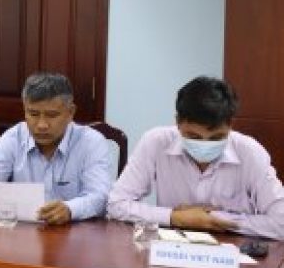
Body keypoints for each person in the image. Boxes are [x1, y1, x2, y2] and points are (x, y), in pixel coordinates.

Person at [107, 77, 284, 240]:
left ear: (230, 124)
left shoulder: (249, 152)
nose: (204, 145)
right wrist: (175, 217)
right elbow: (116, 204)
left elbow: (281, 222)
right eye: (194, 137)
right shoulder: (156, 142)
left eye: (216, 138)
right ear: (178, 122)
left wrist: (213, 218)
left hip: (234, 247)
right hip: (172, 245)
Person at [0, 72, 111, 224]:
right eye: (33, 114)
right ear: (25, 110)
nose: (41, 125)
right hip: (23, 232)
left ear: (70, 112)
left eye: (52, 115)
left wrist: (70, 209)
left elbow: (100, 196)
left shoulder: (91, 142)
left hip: (75, 232)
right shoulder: (14, 137)